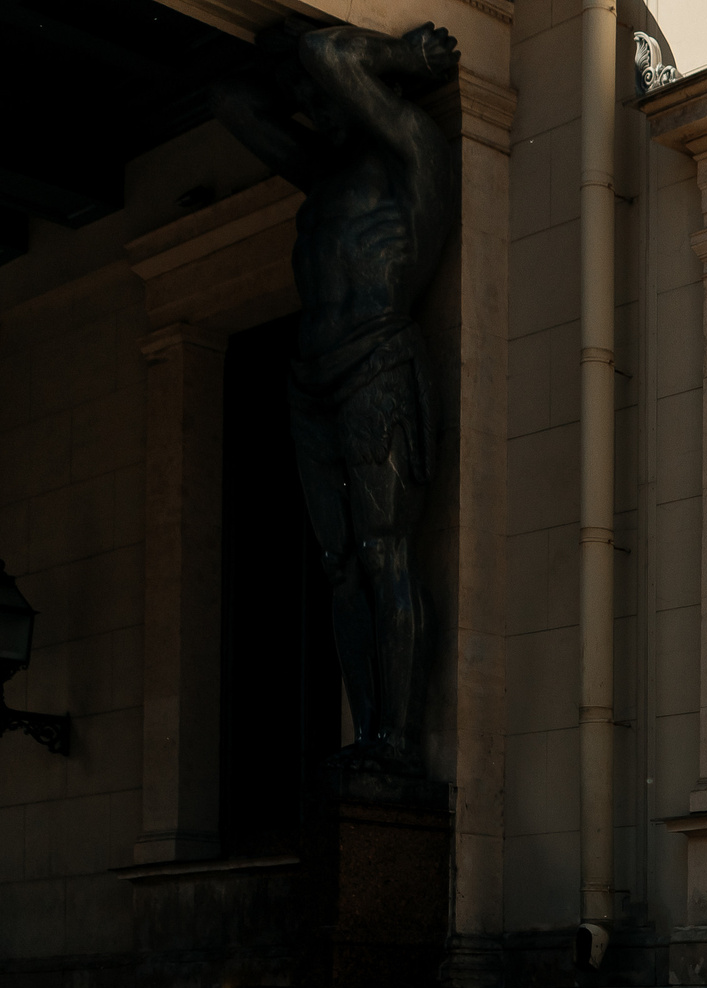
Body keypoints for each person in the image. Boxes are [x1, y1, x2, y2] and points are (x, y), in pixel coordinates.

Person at [213, 19, 461, 774]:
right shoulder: (322, 173)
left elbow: (327, 50)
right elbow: (229, 99)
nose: (310, 103)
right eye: (301, 96)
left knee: (384, 553)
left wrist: (398, 57)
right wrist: (285, 68)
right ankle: (368, 737)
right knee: (340, 564)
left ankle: (399, 741)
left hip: (376, 361)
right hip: (310, 380)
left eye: (317, 95)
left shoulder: (411, 150)